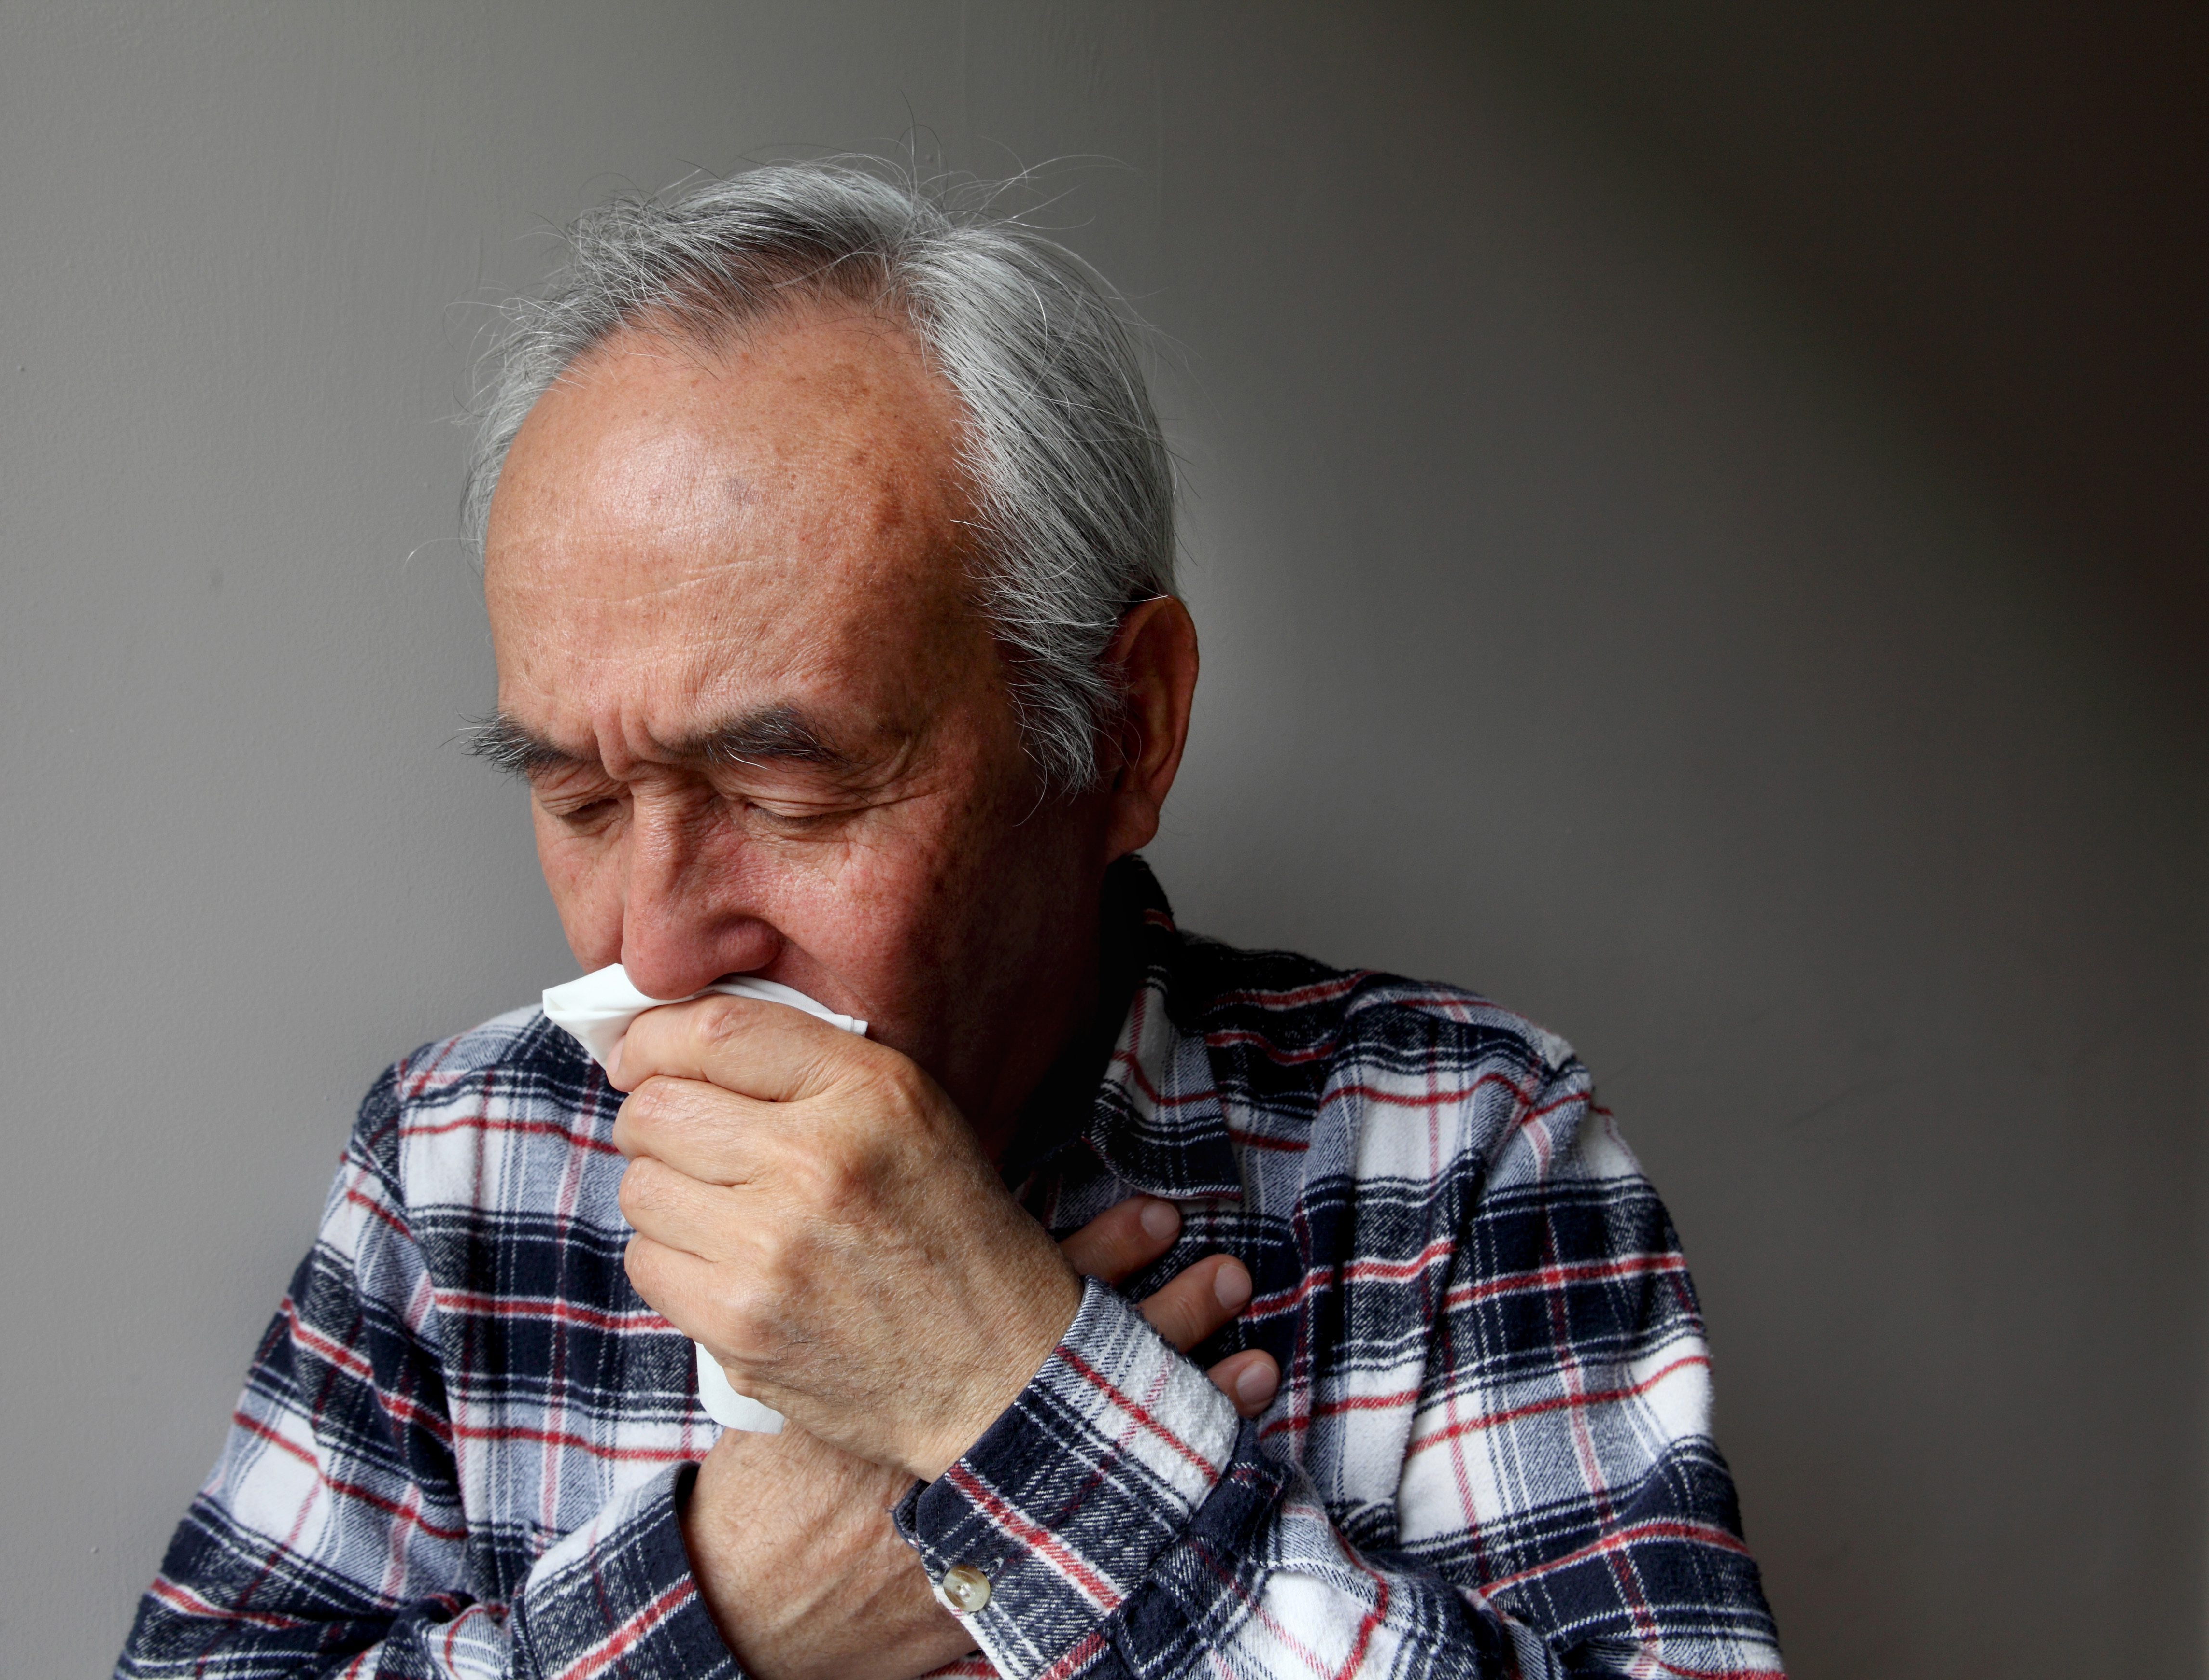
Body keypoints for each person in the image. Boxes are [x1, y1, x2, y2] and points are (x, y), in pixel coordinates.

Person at [115, 160, 1782, 1680]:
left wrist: (1011, 1404)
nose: (659, 949)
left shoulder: (1452, 1151)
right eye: (583, 801)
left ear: (1125, 732)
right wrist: (733, 1611)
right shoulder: (457, 1163)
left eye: (791, 788)